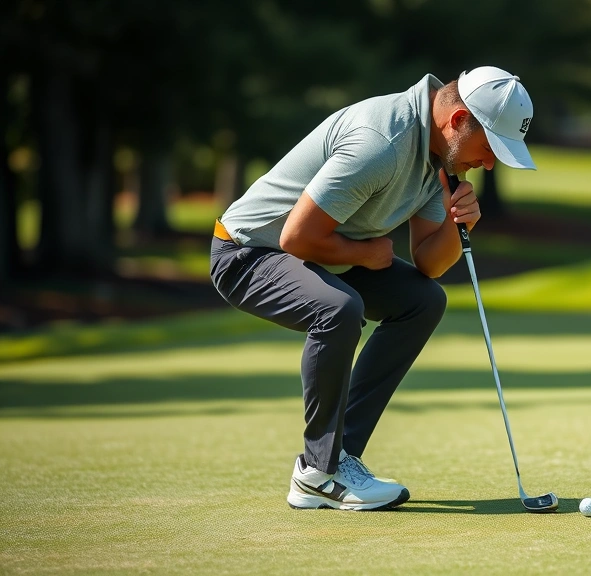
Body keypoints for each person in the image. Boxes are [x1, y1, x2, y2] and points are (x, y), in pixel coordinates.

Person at [209, 66, 536, 511]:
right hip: (247, 252)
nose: (491, 162)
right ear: (458, 121)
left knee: (422, 302)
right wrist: (362, 255)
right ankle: (315, 472)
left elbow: (429, 263)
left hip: (317, 249)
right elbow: (295, 237)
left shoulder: (436, 155)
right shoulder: (383, 143)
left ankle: (339, 459)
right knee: (339, 309)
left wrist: (462, 224)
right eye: (491, 147)